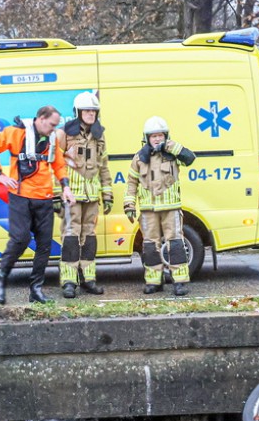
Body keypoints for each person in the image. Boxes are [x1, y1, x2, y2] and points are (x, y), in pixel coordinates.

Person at [0, 106, 72, 304]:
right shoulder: (16, 133)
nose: (53, 129)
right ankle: (1, 280)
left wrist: (65, 186)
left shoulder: (52, 139)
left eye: (56, 126)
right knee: (20, 239)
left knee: (45, 244)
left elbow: (58, 164)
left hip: (44, 198)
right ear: (41, 119)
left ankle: (36, 290)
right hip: (20, 196)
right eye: (51, 125)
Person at [124, 116, 196, 295]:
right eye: (153, 136)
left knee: (176, 244)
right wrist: (129, 204)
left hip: (171, 208)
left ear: (166, 136)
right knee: (150, 246)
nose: (157, 139)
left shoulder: (173, 154)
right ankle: (154, 281)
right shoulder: (139, 158)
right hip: (148, 210)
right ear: (146, 138)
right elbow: (132, 182)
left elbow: (190, 159)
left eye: (160, 135)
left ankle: (179, 282)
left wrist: (175, 147)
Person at [59, 91, 112, 297]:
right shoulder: (65, 134)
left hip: (92, 197)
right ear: (78, 112)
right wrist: (58, 193)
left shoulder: (99, 135)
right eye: (87, 110)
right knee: (71, 238)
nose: (91, 114)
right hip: (71, 197)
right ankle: (69, 282)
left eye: (94, 111)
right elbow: (55, 165)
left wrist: (107, 194)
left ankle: (88, 280)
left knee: (89, 239)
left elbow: (104, 166)